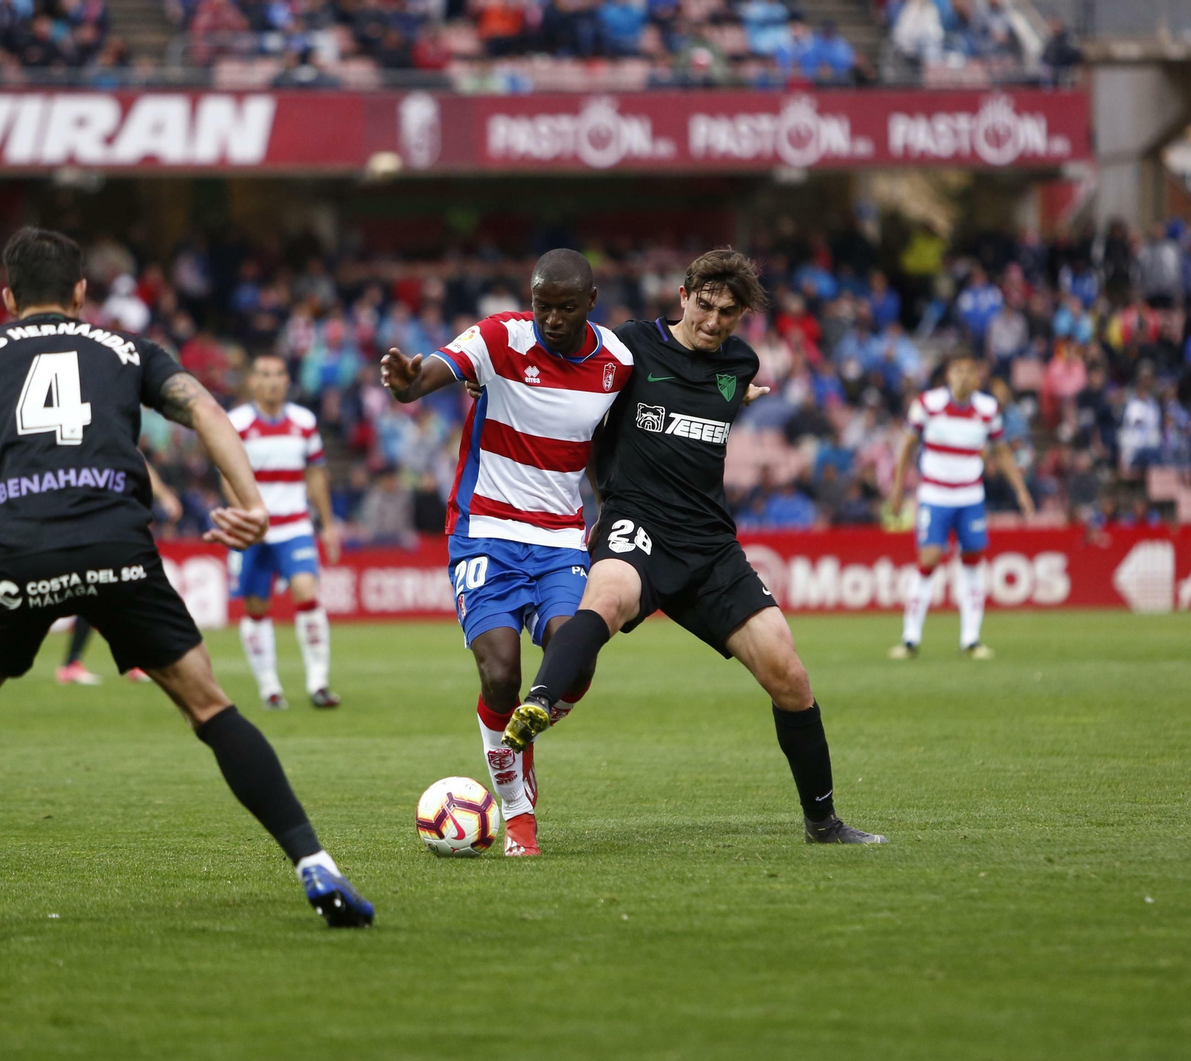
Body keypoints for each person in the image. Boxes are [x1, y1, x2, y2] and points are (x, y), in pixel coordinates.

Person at [0, 228, 373, 935]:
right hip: (118, 546)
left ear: (7, 296)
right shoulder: (128, 350)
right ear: (82, 292)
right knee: (210, 707)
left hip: (17, 552)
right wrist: (253, 505)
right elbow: (206, 410)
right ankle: (316, 865)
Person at [500, 248, 887, 846]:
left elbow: (711, 399)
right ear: (683, 296)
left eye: (727, 313)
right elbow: (567, 376)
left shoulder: (739, 363)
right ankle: (541, 702)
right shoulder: (628, 345)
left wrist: (742, 397)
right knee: (604, 601)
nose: (712, 321)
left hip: (709, 544)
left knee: (790, 675)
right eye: (704, 306)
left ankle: (824, 822)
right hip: (637, 525)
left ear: (740, 320)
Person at [378, 249, 634, 857]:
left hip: (561, 538)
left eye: (565, 308)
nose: (550, 317)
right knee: (501, 673)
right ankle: (517, 810)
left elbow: (602, 443)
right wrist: (407, 382)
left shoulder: (617, 363)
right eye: (542, 304)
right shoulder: (499, 337)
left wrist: (609, 513)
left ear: (590, 304)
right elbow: (427, 378)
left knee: (575, 656)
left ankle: (525, 729)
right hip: (485, 528)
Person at [888, 351, 1035, 660]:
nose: (964, 377)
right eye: (958, 371)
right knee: (928, 559)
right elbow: (907, 448)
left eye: (970, 371)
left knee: (972, 562)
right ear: (949, 375)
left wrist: (1020, 490)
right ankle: (910, 637)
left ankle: (971, 639)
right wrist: (899, 487)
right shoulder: (928, 404)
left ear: (977, 376)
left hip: (970, 497)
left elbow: (1002, 451)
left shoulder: (988, 408)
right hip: (935, 495)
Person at [226, 355, 342, 710]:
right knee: (257, 606)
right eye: (264, 374)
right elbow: (228, 473)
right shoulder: (237, 423)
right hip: (255, 528)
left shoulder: (303, 422)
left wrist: (328, 525)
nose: (272, 381)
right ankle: (270, 688)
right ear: (252, 381)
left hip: (294, 525)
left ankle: (318, 683)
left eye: (278, 374)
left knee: (306, 594)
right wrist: (244, 518)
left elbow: (316, 474)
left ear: (286, 380)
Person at [59, 462, 182, 686]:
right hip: (104, 525)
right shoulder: (109, 434)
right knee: (124, 589)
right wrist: (165, 496)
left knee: (102, 595)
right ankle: (76, 664)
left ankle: (72, 664)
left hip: (96, 523)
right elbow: (139, 461)